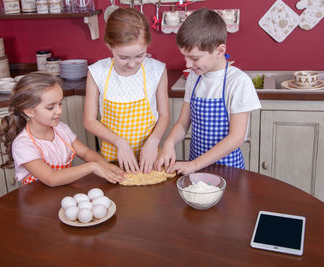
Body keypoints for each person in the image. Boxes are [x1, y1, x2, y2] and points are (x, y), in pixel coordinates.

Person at [155, 8, 261, 175]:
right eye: (185, 56)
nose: (188, 64)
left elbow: (236, 138)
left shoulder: (238, 82)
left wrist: (195, 165)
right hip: (195, 167)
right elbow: (183, 123)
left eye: (195, 58)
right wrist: (169, 142)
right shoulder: (194, 77)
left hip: (229, 170)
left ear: (219, 51)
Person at [0, 72, 124, 187]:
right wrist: (93, 167)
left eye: (60, 103)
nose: (59, 111)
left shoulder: (60, 129)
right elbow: (51, 178)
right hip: (38, 201)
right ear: (30, 111)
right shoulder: (23, 145)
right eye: (50, 107)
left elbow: (85, 152)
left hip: (64, 191)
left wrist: (106, 166)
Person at [84, 7, 169, 174]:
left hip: (150, 159)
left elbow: (164, 115)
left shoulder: (156, 70)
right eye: (123, 57)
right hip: (112, 159)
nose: (132, 64)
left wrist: (153, 141)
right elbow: (89, 121)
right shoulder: (97, 72)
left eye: (140, 55)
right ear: (109, 45)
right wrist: (120, 143)